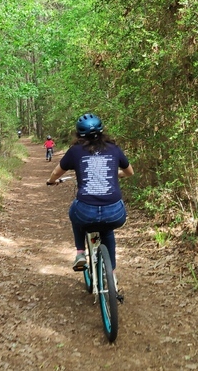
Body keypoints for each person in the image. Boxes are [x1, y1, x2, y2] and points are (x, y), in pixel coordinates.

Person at [46, 113, 134, 278]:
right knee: (107, 231)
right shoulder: (114, 149)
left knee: (75, 214)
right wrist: (116, 175)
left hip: (86, 211)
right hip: (115, 212)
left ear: (78, 134)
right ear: (102, 131)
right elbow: (129, 172)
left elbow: (56, 172)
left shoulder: (75, 151)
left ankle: (80, 253)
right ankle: (111, 274)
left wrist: (51, 181)